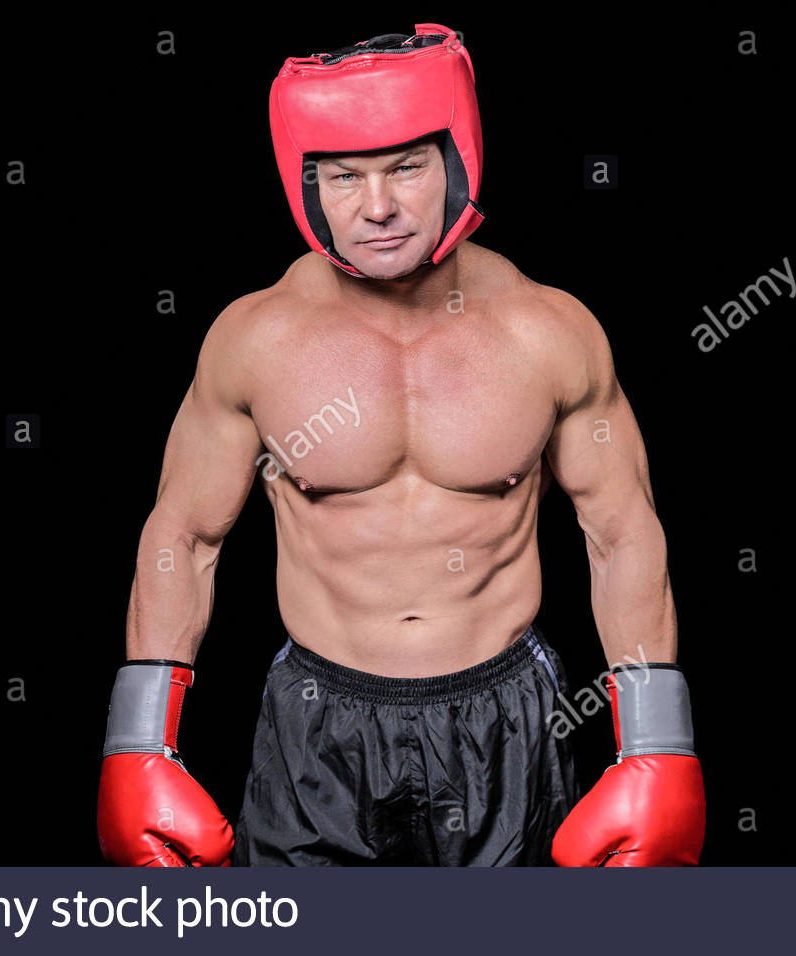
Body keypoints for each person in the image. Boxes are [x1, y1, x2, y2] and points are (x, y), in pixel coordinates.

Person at [96, 24, 706, 866]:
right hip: (318, 722)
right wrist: (137, 744)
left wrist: (656, 746)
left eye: (406, 168)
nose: (376, 207)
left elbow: (622, 531)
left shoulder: (548, 331)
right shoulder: (255, 338)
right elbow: (184, 537)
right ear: (306, 184)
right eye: (344, 177)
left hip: (505, 721)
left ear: (457, 163)